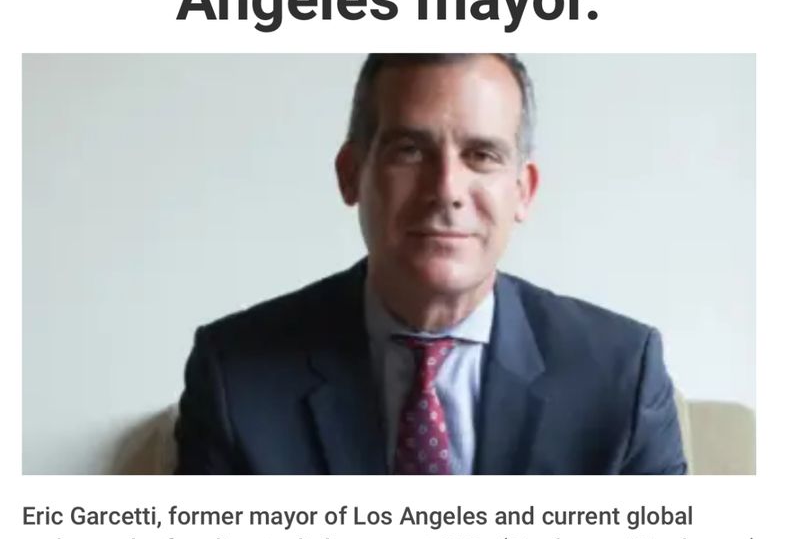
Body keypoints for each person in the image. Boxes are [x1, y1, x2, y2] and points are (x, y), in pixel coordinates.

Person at [175, 53, 686, 474]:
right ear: (351, 174)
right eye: (410, 151)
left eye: (482, 155)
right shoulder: (235, 375)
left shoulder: (621, 375)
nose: (445, 190)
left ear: (522, 191)